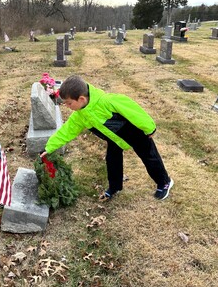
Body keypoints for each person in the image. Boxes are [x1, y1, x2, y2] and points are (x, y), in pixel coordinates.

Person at [40, 75, 173, 201]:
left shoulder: (107, 101)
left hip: (135, 134)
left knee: (149, 157)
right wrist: (49, 147)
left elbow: (134, 111)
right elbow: (66, 131)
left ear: (81, 99)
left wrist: (149, 127)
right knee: (112, 160)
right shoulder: (80, 115)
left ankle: (164, 182)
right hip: (114, 139)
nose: (68, 107)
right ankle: (115, 187)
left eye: (69, 103)